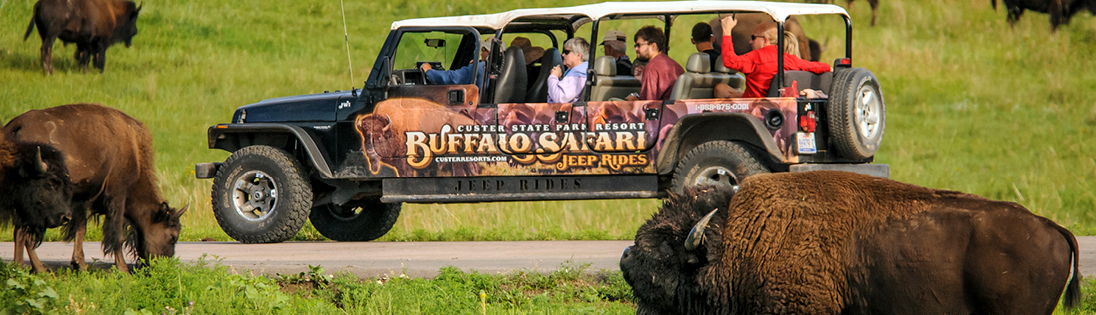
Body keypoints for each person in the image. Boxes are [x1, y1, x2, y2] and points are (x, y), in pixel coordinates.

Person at [716, 16, 831, 98]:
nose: (750, 41)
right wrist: (829, 68)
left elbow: (729, 61)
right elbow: (812, 66)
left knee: (719, 89)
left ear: (765, 40)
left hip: (752, 106)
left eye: (753, 37)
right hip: (776, 106)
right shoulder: (787, 58)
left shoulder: (755, 57)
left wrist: (726, 31)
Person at [624, 26, 684, 101]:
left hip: (661, 111)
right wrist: (644, 79)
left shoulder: (652, 67)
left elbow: (647, 105)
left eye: (639, 45)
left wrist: (634, 100)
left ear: (653, 46)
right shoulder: (675, 65)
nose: (636, 49)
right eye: (636, 46)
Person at [420, 39, 495, 86]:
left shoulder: (481, 67)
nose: (481, 54)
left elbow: (453, 78)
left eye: (483, 50)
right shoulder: (501, 67)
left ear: (489, 52)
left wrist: (429, 71)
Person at [547, 37, 590, 104]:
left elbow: (559, 98)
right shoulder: (584, 72)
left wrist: (553, 76)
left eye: (567, 52)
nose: (563, 55)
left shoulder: (577, 75)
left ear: (579, 55)